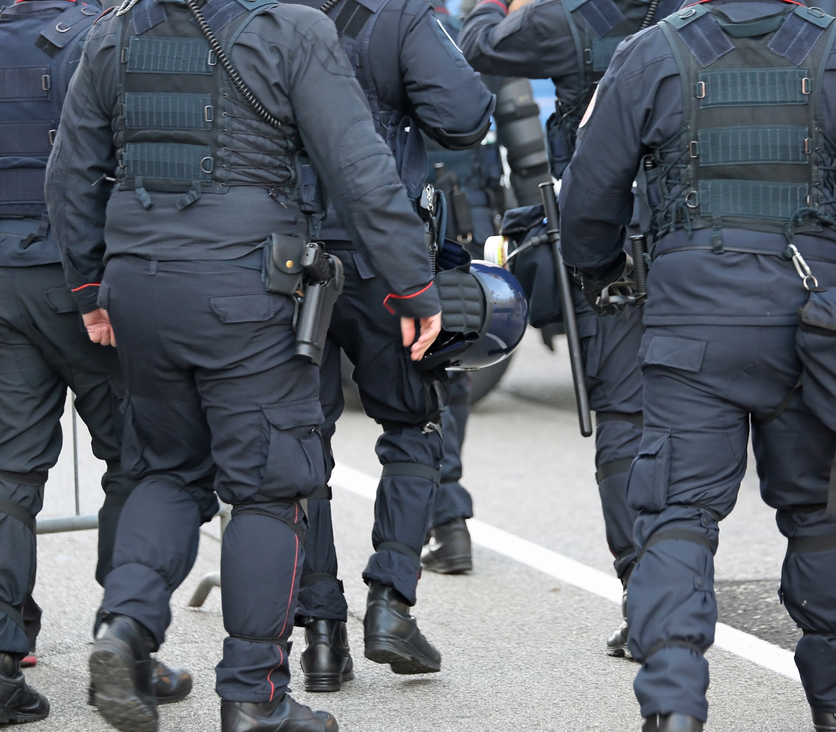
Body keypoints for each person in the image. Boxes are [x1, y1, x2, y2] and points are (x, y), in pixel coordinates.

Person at [44, 0, 443, 726]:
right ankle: (255, 697)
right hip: (244, 289)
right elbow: (359, 169)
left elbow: (69, 174)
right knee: (267, 489)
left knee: (167, 470)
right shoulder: (291, 30)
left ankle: (124, 628)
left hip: (138, 286)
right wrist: (413, 284)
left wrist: (87, 291)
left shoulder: (112, 33)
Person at [559, 1, 836, 730]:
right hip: (816, 323)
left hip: (688, 321)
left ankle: (673, 705)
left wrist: (601, 275)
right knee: (819, 512)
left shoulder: (652, 52)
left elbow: (589, 193)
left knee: (677, 513)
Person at [0, 0, 191, 723]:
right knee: (137, 463)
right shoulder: (103, 35)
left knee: (9, 474)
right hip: (86, 281)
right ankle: (122, 647)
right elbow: (129, 162)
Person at [283, 0, 493, 693]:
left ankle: (320, 639)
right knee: (412, 423)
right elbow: (465, 116)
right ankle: (390, 605)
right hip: (384, 254)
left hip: (287, 255)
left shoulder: (262, 14)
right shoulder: (396, 14)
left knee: (300, 446)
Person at [459, 0, 680, 657]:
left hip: (611, 249)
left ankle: (646, 597)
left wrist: (494, 4)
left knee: (624, 419)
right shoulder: (698, 20)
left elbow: (478, 45)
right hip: (699, 249)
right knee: (700, 418)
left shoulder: (567, 20)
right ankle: (680, 591)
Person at [421, 0, 551, 575]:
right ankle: (445, 518)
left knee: (410, 376)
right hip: (468, 223)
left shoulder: (367, 32)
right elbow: (527, 148)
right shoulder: (471, 40)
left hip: (399, 218)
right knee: (450, 370)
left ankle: (440, 517)